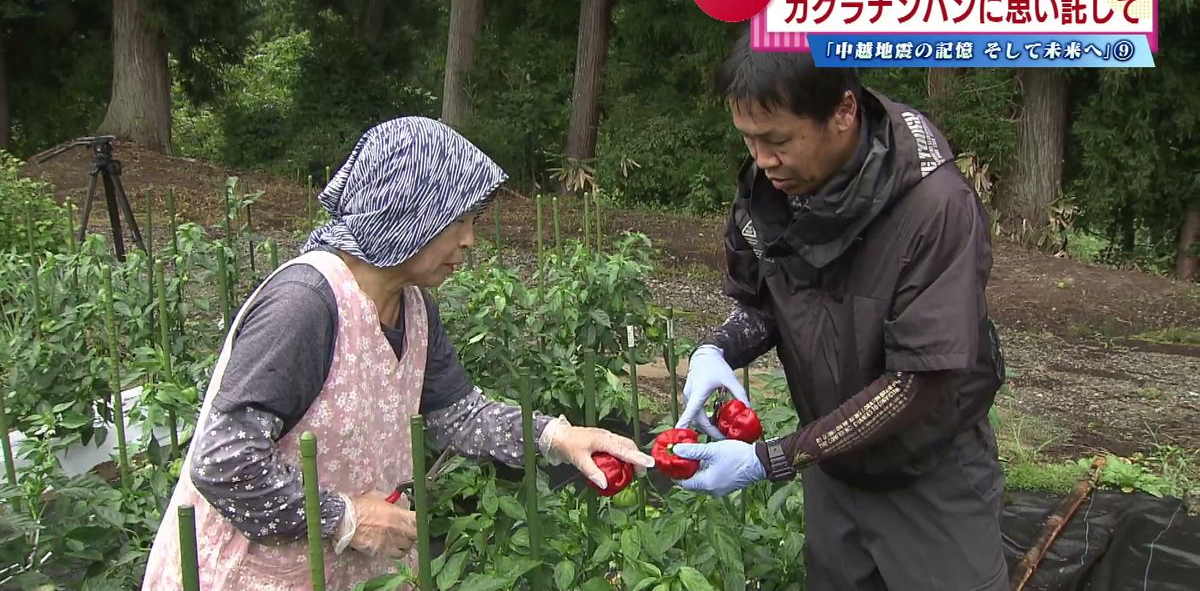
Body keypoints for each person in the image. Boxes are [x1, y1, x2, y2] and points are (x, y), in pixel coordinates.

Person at [141, 117, 655, 590]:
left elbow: (459, 416)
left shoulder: (414, 309)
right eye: (463, 220)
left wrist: (558, 437)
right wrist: (347, 518)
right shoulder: (305, 305)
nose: (472, 241)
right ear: (413, 208)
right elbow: (224, 462)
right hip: (247, 575)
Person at [670, 31, 1008, 590]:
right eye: (749, 140)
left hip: (929, 469)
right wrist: (717, 348)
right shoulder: (771, 191)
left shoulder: (933, 208)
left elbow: (916, 382)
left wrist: (770, 458)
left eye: (776, 140)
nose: (762, 160)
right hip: (832, 466)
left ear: (844, 111)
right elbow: (764, 305)